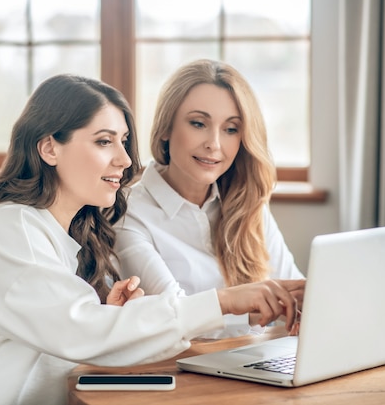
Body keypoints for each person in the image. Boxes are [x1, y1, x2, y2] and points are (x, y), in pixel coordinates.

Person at [0, 73, 305, 405]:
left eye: (122, 142)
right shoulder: (11, 228)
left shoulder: (59, 239)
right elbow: (79, 332)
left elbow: (69, 338)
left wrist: (111, 317)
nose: (123, 160)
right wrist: (225, 301)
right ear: (50, 148)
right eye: (103, 141)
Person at [114, 59, 305, 338]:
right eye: (198, 123)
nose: (214, 144)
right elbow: (174, 318)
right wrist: (253, 310)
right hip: (179, 374)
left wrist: (308, 302)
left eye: (230, 129)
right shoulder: (128, 213)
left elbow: (293, 289)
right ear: (166, 127)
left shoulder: (248, 203)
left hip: (250, 363)